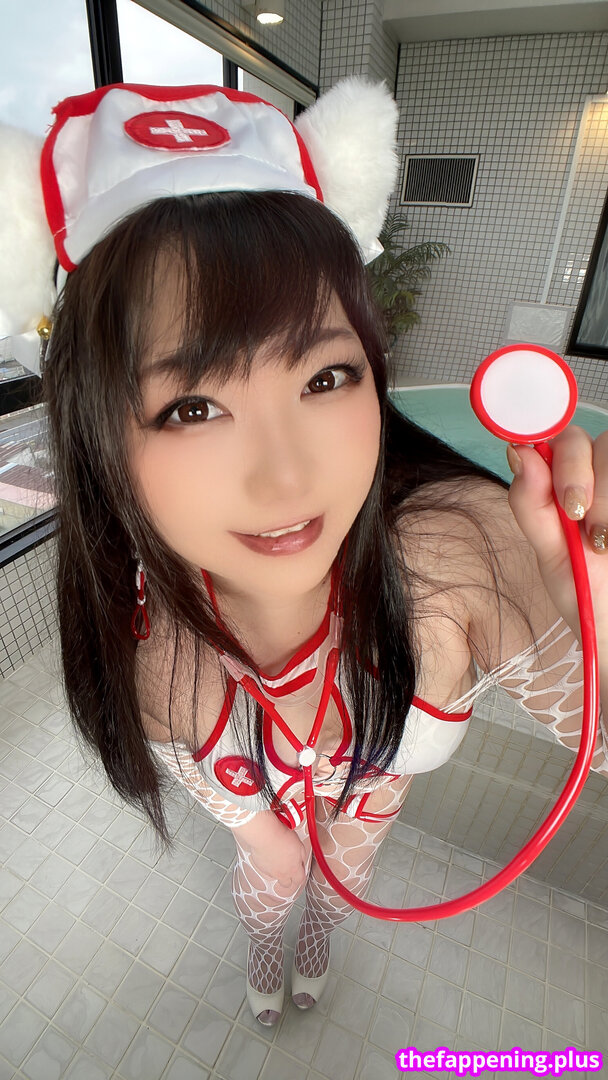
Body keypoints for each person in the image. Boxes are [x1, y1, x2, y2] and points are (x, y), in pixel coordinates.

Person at [13, 80, 608, 1028]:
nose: (288, 477)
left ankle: (319, 945)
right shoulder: (150, 636)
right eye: (193, 406)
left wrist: (594, 604)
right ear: (97, 440)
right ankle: (265, 959)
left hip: (369, 813)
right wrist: (263, 833)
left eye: (326, 376)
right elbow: (215, 788)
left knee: (338, 888)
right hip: (262, 818)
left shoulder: (460, 550)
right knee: (273, 877)